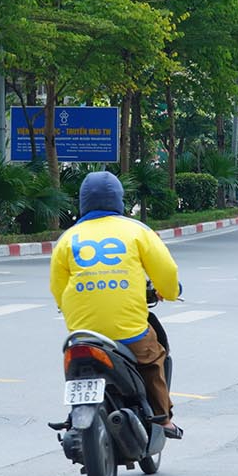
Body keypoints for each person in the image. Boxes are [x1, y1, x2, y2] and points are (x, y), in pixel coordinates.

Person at [49, 171, 184, 439]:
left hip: (82, 333)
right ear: (119, 200)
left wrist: (66, 309)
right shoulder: (137, 231)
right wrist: (168, 292)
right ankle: (164, 419)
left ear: (83, 202)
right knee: (153, 357)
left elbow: (57, 286)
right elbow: (167, 271)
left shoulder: (68, 238)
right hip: (128, 330)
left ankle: (74, 413)